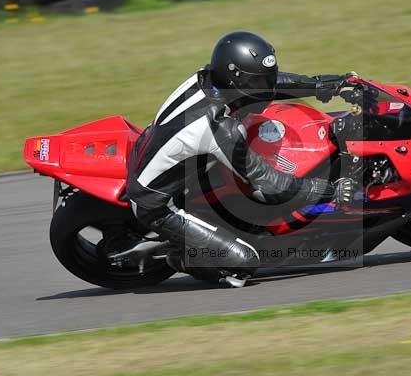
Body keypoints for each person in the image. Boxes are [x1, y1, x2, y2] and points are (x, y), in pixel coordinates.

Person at [122, 31, 355, 287]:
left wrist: (319, 85)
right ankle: (176, 256)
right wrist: (327, 191)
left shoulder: (210, 77)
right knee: (245, 262)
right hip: (158, 205)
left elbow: (270, 85)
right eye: (258, 81)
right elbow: (269, 183)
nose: (266, 86)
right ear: (235, 78)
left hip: (180, 163)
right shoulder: (218, 127)